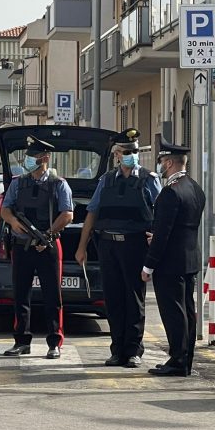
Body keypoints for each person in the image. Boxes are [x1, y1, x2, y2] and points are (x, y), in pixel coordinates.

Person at [76, 129, 161, 368]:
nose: (131, 155)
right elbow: (92, 213)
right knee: (113, 299)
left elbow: (161, 210)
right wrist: (82, 247)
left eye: (134, 151)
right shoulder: (106, 180)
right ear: (116, 155)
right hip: (108, 245)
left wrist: (156, 239)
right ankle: (117, 350)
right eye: (126, 151)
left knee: (134, 299)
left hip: (134, 245)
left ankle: (133, 350)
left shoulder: (149, 179)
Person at [0, 136, 74, 359]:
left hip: (48, 246)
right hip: (22, 246)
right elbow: (5, 209)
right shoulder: (18, 183)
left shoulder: (59, 184)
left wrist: (47, 235)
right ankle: (21, 341)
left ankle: (54, 343)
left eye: (33, 156)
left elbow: (67, 214)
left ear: (45, 158)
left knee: (52, 296)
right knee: (20, 295)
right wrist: (13, 222)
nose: (28, 160)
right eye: (28, 156)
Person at [141, 136, 205, 377]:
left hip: (170, 262)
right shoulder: (195, 187)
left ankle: (178, 360)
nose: (160, 166)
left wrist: (148, 265)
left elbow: (164, 232)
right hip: (189, 259)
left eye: (161, 162)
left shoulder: (170, 192)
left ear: (168, 163)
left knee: (173, 312)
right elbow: (184, 226)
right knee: (187, 310)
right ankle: (185, 359)